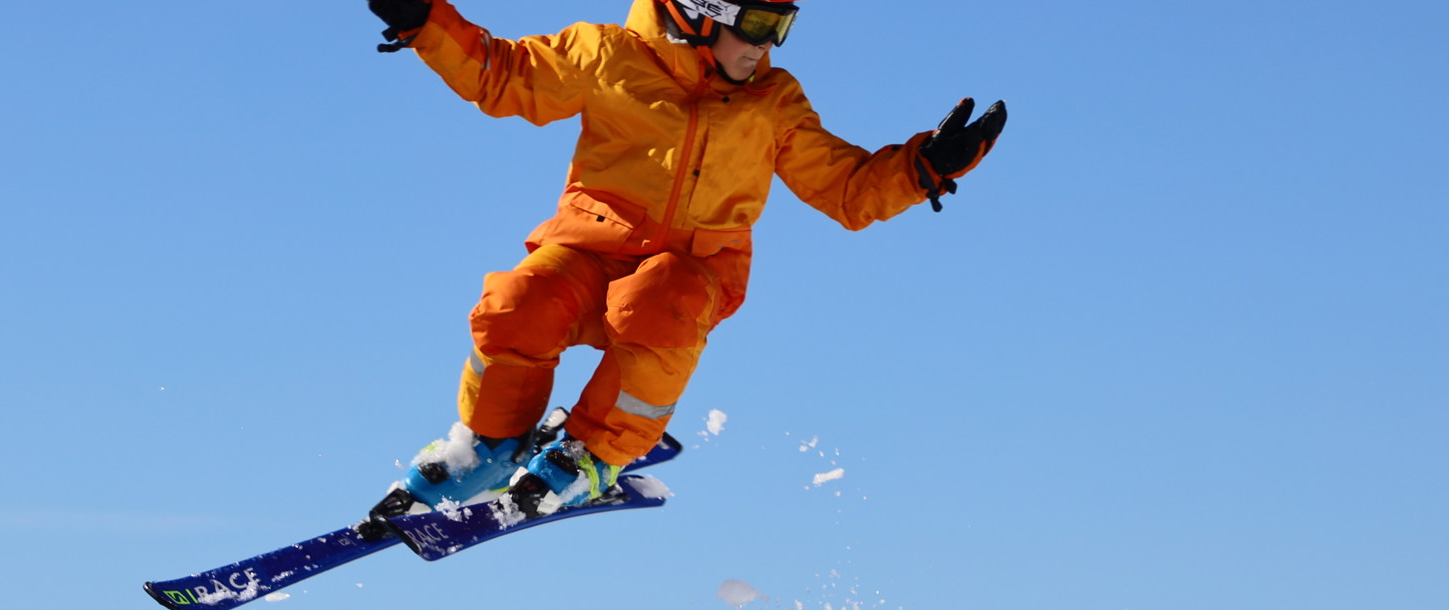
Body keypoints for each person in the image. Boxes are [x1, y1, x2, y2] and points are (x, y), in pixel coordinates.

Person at [362, 0, 1006, 523]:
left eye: (781, 27)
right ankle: (488, 443)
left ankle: (596, 452)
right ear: (700, 15)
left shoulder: (772, 100)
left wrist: (920, 171)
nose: (767, 46)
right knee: (514, 307)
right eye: (757, 25)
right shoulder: (607, 55)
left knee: (657, 305)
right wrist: (426, 22)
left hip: (691, 271)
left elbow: (843, 187)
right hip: (592, 247)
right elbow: (503, 76)